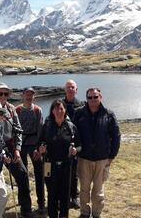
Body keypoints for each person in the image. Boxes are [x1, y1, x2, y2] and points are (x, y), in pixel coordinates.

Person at [73, 88, 121, 218]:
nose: (93, 100)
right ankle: (84, 212)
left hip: (102, 159)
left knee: (98, 190)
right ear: (86, 99)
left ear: (100, 97)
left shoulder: (108, 114)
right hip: (84, 158)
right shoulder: (79, 113)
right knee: (84, 189)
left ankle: (96, 213)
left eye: (95, 97)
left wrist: (111, 156)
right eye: (90, 98)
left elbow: (116, 136)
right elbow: (73, 134)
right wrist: (76, 151)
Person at [0, 83, 33, 218]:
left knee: (23, 175)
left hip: (10, 147)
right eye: (0, 93)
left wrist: (17, 149)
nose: (3, 96)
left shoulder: (11, 108)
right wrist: (1, 153)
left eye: (6, 94)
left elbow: (18, 130)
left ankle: (26, 210)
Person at [38, 99, 81, 218]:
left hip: (67, 166)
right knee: (52, 194)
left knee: (65, 194)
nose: (59, 111)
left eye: (61, 108)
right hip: (49, 165)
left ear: (65, 110)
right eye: (56, 109)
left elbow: (79, 145)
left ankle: (63, 215)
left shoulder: (71, 127)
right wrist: (41, 148)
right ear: (52, 111)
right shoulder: (47, 126)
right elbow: (40, 142)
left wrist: (75, 150)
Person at [15, 87, 45, 214]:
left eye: (31, 95)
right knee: (22, 175)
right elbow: (14, 129)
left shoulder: (38, 110)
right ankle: (23, 201)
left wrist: (39, 148)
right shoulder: (17, 110)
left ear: (34, 96)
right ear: (22, 96)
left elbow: (41, 130)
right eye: (26, 94)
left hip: (34, 145)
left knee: (39, 174)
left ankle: (41, 202)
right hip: (21, 145)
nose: (29, 97)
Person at [62, 79, 84, 209]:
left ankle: (74, 197)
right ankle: (63, 196)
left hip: (76, 143)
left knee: (74, 172)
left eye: (73, 87)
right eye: (68, 87)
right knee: (62, 171)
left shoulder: (82, 104)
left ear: (76, 90)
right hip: (62, 143)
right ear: (65, 90)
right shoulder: (59, 104)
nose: (70, 89)